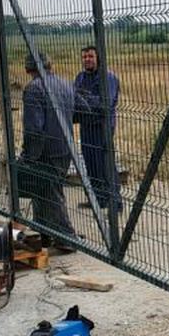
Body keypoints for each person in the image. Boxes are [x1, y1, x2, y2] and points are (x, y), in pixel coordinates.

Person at [20, 52, 76, 248]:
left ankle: (66, 237)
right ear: (49, 65)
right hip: (65, 147)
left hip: (45, 151)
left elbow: (34, 128)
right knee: (42, 190)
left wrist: (28, 156)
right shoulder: (66, 84)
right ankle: (42, 233)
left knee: (51, 193)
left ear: (28, 69)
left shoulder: (33, 89)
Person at [73, 45, 121, 212]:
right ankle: (98, 199)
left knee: (105, 163)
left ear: (98, 58)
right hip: (87, 126)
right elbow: (75, 100)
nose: (87, 60)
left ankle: (115, 202)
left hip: (103, 127)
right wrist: (87, 101)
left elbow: (105, 104)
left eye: (91, 56)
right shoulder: (80, 77)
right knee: (90, 162)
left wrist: (84, 99)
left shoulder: (108, 78)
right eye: (85, 57)